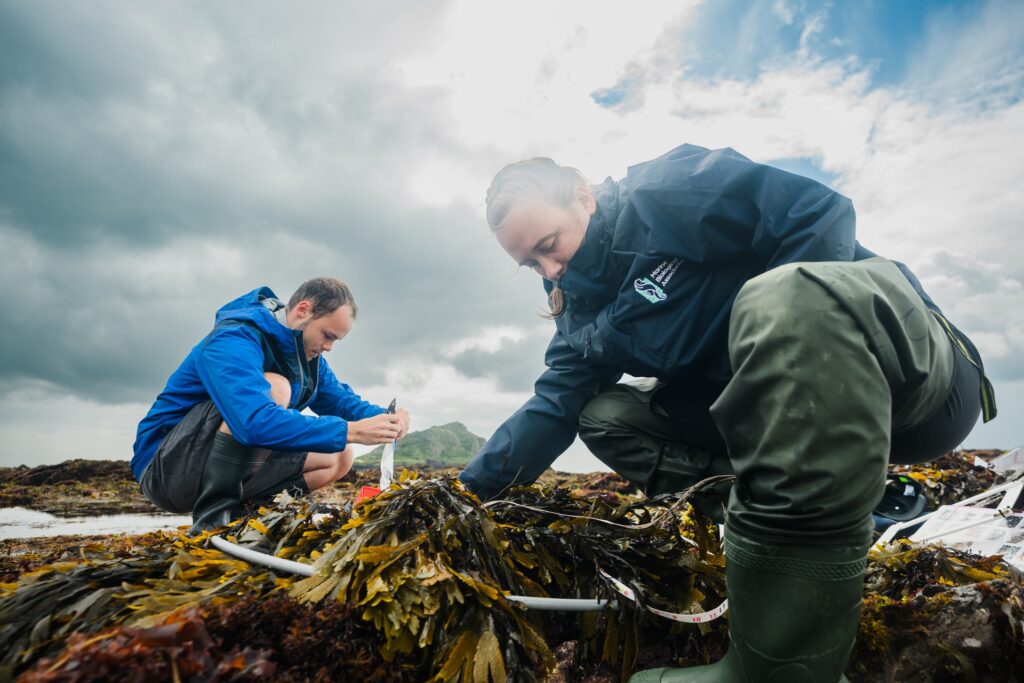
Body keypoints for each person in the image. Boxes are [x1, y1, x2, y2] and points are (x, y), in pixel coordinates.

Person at [458, 144, 996, 682]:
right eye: (531, 262)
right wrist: (462, 495)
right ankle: (823, 519)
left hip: (920, 385)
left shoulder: (663, 192)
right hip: (796, 430)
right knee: (603, 414)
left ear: (582, 199)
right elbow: (554, 405)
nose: (551, 269)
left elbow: (818, 212)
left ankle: (779, 669)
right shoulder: (579, 315)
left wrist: (780, 363)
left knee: (782, 295)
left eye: (550, 245)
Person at [132, 277, 410, 533]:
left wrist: (387, 418)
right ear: (303, 310)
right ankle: (211, 522)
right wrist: (353, 430)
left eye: (336, 340)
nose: (328, 347)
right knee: (276, 386)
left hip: (208, 467)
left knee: (340, 456)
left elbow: (340, 401)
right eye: (327, 335)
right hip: (165, 469)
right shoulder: (234, 337)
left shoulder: (307, 359)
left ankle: (245, 515)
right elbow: (253, 422)